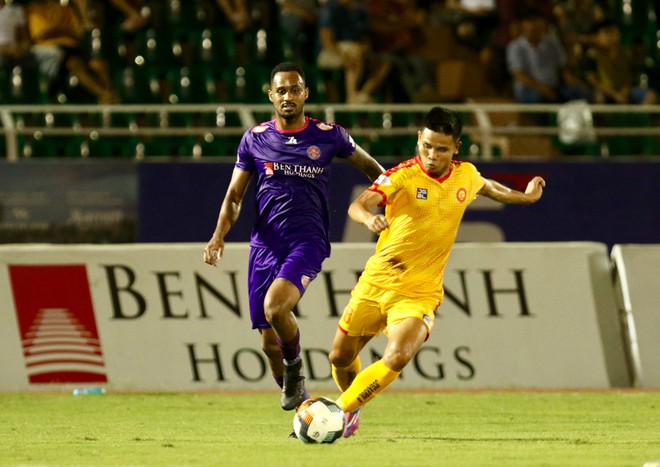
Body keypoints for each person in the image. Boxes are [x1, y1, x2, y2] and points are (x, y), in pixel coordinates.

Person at [327, 106, 546, 437]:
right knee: (340, 357)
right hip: (377, 283)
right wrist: (369, 218)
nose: (432, 155)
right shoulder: (401, 176)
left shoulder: (466, 175)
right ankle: (352, 403)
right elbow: (358, 205)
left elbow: (490, 187)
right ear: (419, 140)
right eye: (427, 146)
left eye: (441, 149)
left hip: (419, 293)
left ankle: (337, 411)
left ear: (456, 147)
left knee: (398, 356)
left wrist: (526, 197)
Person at [203, 62, 384, 419]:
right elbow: (235, 196)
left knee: (276, 307)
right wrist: (218, 236)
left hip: (308, 241)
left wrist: (390, 207)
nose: (288, 96)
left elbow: (375, 172)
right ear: (271, 95)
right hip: (264, 246)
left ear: (305, 94)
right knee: (270, 345)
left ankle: (296, 369)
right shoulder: (255, 139)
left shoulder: (329, 136)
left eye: (295, 89)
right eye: (281, 90)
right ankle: (307, 410)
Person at [506, 8, 591, 105]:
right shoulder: (515, 47)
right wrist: (541, 88)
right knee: (537, 97)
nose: (534, 25)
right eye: (530, 21)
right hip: (529, 89)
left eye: (537, 20)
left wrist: (571, 81)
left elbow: (562, 68)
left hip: (553, 86)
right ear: (522, 25)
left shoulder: (552, 43)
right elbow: (519, 75)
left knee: (580, 93)